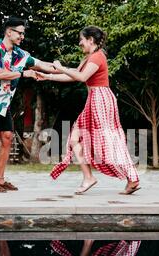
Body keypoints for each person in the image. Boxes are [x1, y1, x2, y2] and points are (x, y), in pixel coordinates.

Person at [35, 26, 141, 195]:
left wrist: (60, 67)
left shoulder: (98, 57)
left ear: (90, 40)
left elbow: (82, 78)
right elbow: (74, 74)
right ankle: (88, 177)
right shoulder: (89, 58)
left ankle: (132, 177)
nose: (80, 43)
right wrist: (48, 76)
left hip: (101, 99)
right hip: (94, 99)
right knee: (74, 139)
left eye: (82, 40)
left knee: (108, 140)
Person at [0, 17, 57, 192]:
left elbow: (41, 64)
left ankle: (0, 180)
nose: (22, 36)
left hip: (3, 105)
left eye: (23, 33)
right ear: (9, 32)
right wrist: (25, 74)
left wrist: (63, 68)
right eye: (19, 33)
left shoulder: (21, 55)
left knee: (7, 138)